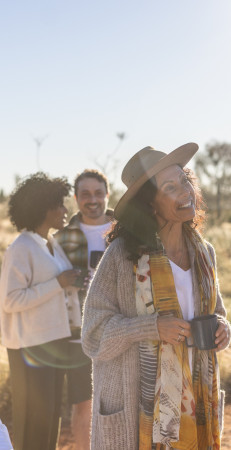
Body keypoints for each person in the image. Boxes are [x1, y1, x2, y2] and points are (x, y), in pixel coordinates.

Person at [81, 144, 231, 449]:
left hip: (195, 405)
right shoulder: (122, 257)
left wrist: (223, 329)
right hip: (140, 411)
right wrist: (151, 328)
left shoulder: (204, 253)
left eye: (185, 181)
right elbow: (93, 336)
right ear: (150, 205)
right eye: (170, 187)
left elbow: (217, 312)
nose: (185, 191)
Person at [0, 173, 83, 450]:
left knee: (49, 420)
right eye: (59, 204)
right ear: (42, 207)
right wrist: (57, 283)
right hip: (29, 348)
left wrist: (69, 284)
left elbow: (55, 287)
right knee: (33, 424)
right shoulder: (20, 248)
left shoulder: (51, 243)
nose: (65, 211)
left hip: (52, 343)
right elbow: (10, 301)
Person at [55, 168, 113, 449]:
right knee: (83, 405)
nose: (93, 199)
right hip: (77, 331)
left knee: (122, 401)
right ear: (76, 198)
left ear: (107, 195)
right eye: (86, 194)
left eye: (98, 193)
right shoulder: (61, 238)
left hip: (119, 327)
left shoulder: (124, 231)